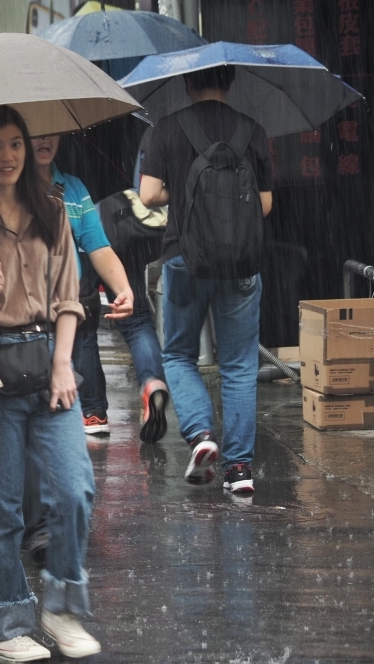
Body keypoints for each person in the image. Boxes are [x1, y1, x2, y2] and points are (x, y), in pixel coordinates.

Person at [0, 106, 101, 660]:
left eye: (15, 144)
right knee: (1, 509)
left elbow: (68, 295)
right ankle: (7, 626)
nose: (7, 156)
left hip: (50, 366)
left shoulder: (51, 208)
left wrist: (63, 363)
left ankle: (60, 609)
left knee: (76, 489)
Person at [139, 65, 273, 493]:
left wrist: (183, 190)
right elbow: (265, 205)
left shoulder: (166, 128)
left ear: (185, 82)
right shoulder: (253, 129)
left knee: (178, 355)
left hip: (184, 256)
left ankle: (201, 435)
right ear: (230, 82)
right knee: (238, 364)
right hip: (241, 262)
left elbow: (147, 195)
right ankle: (239, 470)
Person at [31, 135, 137, 435]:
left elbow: (97, 245)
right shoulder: (7, 189)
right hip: (24, 322)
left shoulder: (73, 188)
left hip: (68, 312)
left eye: (52, 130)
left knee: (63, 413)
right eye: (35, 130)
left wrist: (124, 290)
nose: (44, 139)